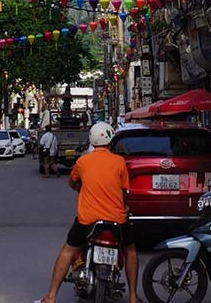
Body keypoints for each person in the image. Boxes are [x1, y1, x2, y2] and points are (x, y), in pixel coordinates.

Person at [37, 122, 140, 303]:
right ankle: (133, 297)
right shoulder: (119, 162)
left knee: (68, 251)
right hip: (117, 219)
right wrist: (124, 206)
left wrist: (80, 187)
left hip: (88, 220)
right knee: (130, 251)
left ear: (92, 140)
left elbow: (72, 182)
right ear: (111, 140)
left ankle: (51, 297)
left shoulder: (83, 161)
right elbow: (124, 192)